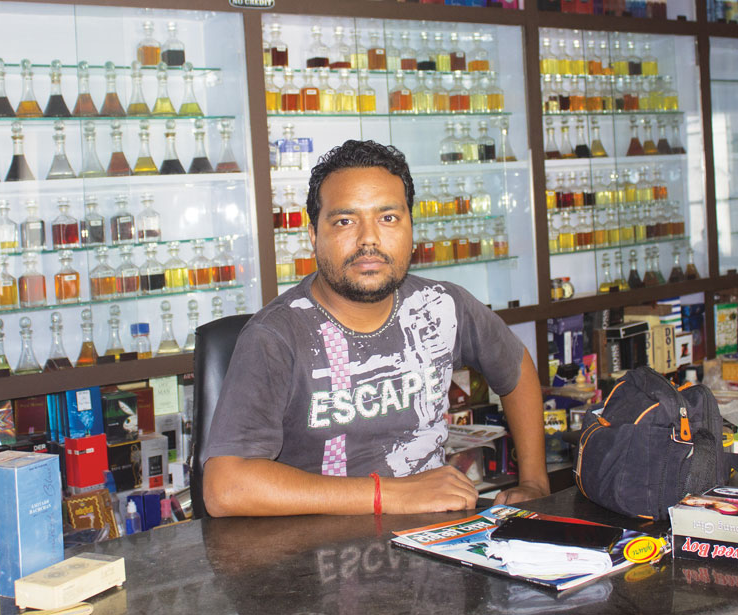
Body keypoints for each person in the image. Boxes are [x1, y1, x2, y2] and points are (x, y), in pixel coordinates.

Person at [202, 140, 550, 517]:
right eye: (345, 221)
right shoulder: (276, 336)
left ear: (411, 227)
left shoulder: (442, 306)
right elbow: (225, 488)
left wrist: (534, 481)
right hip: (321, 546)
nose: (368, 239)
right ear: (313, 234)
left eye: (388, 218)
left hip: (435, 533)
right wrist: (390, 495)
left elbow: (515, 367)